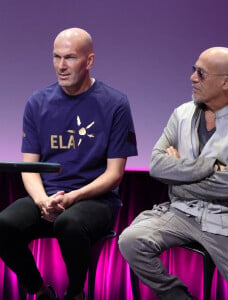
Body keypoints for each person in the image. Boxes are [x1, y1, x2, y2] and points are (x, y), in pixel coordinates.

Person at [119, 47, 228, 300]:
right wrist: (210, 165)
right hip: (183, 211)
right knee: (131, 240)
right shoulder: (181, 114)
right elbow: (156, 165)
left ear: (226, 82)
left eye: (201, 73)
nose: (192, 78)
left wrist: (177, 182)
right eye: (194, 70)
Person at [0, 27, 137, 300]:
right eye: (56, 57)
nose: (61, 66)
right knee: (3, 225)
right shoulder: (37, 102)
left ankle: (75, 293)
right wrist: (42, 201)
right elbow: (30, 168)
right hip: (47, 196)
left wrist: (72, 197)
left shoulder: (115, 103)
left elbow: (114, 175)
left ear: (89, 61)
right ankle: (39, 290)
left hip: (95, 200)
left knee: (69, 224)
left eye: (70, 58)